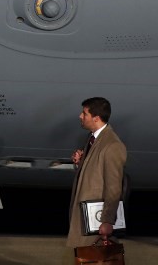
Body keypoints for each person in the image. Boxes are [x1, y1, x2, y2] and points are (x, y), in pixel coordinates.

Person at [67, 97, 127, 248]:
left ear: (96, 118)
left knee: (93, 258)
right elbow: (96, 172)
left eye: (84, 113)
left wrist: (107, 221)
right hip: (85, 217)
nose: (80, 116)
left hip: (95, 221)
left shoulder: (112, 145)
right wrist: (81, 162)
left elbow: (113, 187)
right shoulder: (94, 138)